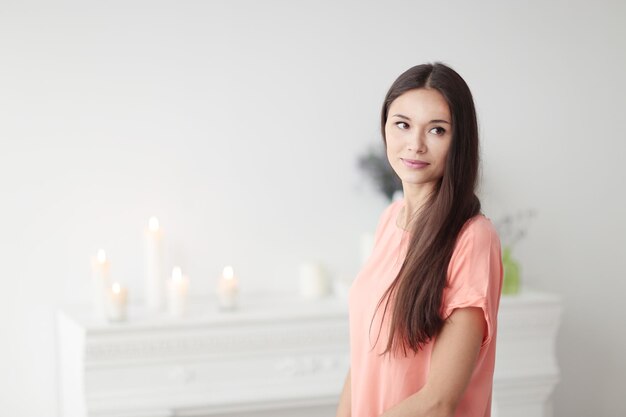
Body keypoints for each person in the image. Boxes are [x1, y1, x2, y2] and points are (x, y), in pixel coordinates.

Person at [335, 62, 503, 417]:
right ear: (385, 128)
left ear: (460, 140)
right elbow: (367, 354)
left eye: (437, 130)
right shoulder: (388, 221)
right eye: (402, 124)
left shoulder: (473, 239)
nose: (415, 144)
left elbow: (439, 402)